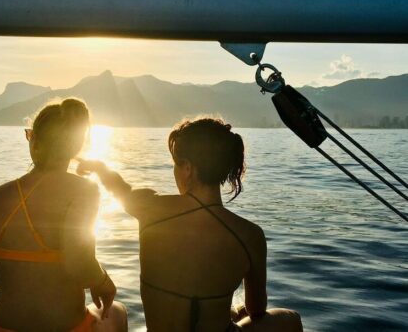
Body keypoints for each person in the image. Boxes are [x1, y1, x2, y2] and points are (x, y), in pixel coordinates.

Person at [77, 117, 303, 332]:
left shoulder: (150, 209)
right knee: (290, 319)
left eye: (175, 164)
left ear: (187, 168)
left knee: (112, 312)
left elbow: (120, 188)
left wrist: (99, 168)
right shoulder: (250, 235)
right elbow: (256, 311)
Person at [0, 98, 127, 332]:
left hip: (2, 327)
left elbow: (4, 265)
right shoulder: (84, 190)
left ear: (35, 141)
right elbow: (79, 262)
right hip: (64, 327)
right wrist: (103, 281)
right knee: (117, 312)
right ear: (75, 148)